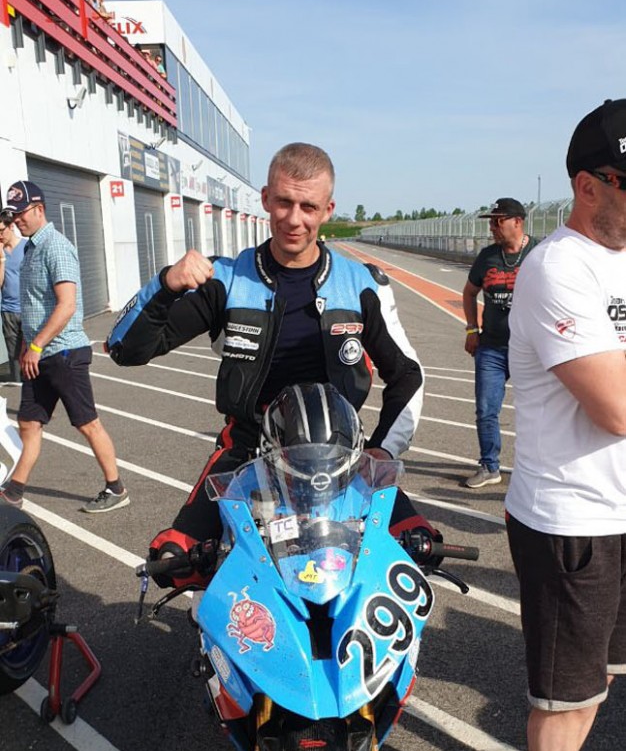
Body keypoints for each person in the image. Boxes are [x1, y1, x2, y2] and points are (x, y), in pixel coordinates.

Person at [107, 142, 427, 584]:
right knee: (174, 560)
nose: (294, 219)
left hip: (342, 459)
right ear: (265, 199)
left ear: (327, 209)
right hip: (246, 454)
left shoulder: (361, 285)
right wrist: (164, 285)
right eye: (284, 202)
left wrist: (382, 451)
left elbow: (407, 374)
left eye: (308, 207)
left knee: (421, 546)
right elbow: (126, 349)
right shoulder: (226, 280)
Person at [506, 98, 626, 751]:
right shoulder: (558, 268)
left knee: (601, 677)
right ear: (589, 185)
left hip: (617, 509)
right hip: (570, 516)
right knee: (565, 690)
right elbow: (616, 406)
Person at [0, 180, 129, 514]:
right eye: (13, 215)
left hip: (63, 353)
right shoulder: (29, 249)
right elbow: (33, 305)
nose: (16, 221)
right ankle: (14, 490)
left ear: (39, 209)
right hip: (38, 354)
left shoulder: (56, 246)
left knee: (87, 423)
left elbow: (67, 305)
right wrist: (27, 346)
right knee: (29, 423)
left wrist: (36, 345)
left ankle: (116, 488)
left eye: (21, 213)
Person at [462, 198, 537, 488]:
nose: (492, 227)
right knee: (486, 409)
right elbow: (469, 292)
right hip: (492, 347)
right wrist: (472, 329)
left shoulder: (539, 252)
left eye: (498, 221)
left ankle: (535, 470)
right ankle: (489, 466)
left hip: (531, 350)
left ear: (517, 221)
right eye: (491, 222)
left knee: (537, 411)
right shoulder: (488, 257)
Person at [0, 207, 26, 385]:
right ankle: (19, 385)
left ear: (11, 227)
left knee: (32, 350)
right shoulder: (0, 252)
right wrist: (1, 259)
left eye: (1, 230)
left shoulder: (27, 247)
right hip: (8, 310)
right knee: (14, 353)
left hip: (27, 309)